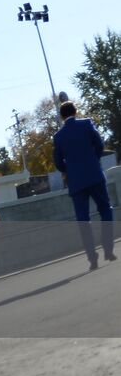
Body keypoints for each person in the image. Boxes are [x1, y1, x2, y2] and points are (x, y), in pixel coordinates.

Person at [51, 101, 116, 270]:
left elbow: (58, 162)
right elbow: (99, 145)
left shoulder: (59, 137)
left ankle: (92, 259)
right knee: (105, 209)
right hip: (94, 175)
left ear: (62, 116)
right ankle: (108, 249)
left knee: (83, 220)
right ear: (75, 111)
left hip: (76, 183)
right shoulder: (86, 124)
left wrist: (70, 169)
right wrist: (93, 160)